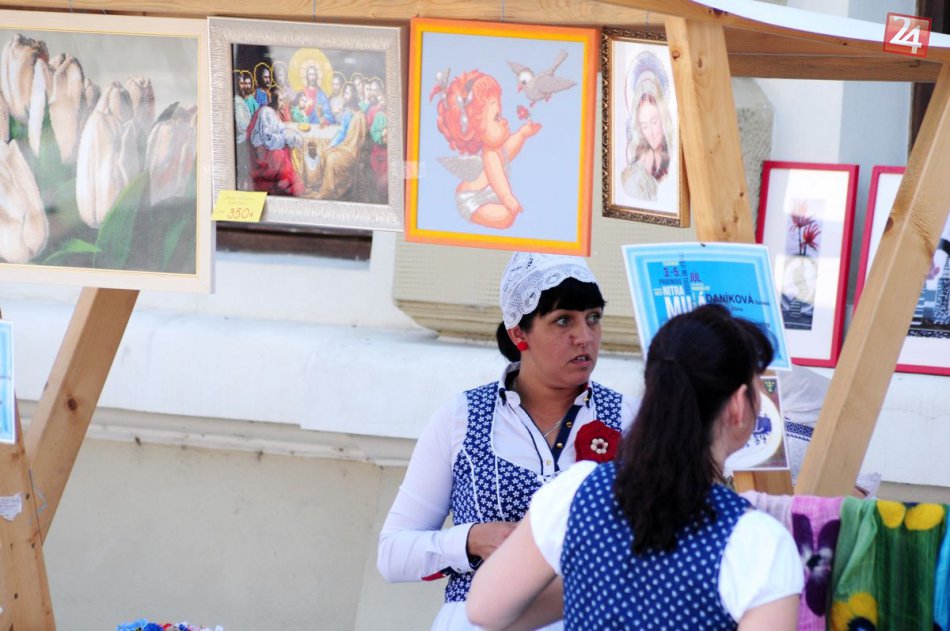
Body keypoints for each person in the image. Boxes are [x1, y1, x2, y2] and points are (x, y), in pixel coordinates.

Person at [468, 304, 803, 630]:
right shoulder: (758, 543)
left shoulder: (576, 490)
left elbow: (485, 610)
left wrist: (598, 579)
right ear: (739, 405)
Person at [378, 252, 637, 631]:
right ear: (519, 333)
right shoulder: (463, 418)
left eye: (593, 318)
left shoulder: (628, 419)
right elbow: (392, 553)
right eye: (563, 320)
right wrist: (469, 540)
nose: (584, 336)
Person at [432, 70, 541, 229]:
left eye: (500, 115)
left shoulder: (496, 151)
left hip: (489, 192)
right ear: (477, 131)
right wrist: (508, 198)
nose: (504, 121)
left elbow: (508, 152)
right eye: (497, 117)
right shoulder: (490, 156)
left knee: (506, 214)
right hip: (472, 199)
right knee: (506, 217)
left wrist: (522, 134)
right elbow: (499, 180)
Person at [315, 82, 367, 199]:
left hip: (352, 152)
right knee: (325, 150)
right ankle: (323, 185)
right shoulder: (348, 113)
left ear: (353, 95)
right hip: (344, 147)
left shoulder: (360, 116)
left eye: (347, 93)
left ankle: (329, 192)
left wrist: (354, 149)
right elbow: (342, 132)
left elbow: (362, 140)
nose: (345, 96)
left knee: (332, 158)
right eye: (345, 93)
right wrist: (331, 145)